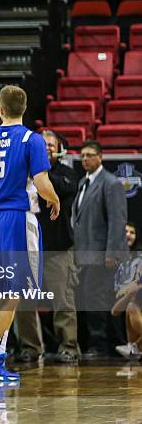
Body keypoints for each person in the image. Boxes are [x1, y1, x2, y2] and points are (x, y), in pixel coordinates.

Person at [0, 85, 60, 381]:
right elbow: (42, 183)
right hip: (18, 219)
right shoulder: (31, 139)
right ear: (24, 107)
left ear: (0, 108)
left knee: (5, 293)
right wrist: (54, 199)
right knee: (13, 293)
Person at [13, 130, 81, 363]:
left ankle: (69, 347)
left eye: (51, 145)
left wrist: (39, 170)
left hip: (58, 248)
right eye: (42, 145)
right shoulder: (24, 175)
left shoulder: (68, 174)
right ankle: (30, 347)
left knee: (63, 300)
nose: (47, 148)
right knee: (24, 299)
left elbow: (60, 189)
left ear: (61, 149)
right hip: (28, 247)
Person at [72, 140, 128, 357]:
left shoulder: (110, 182)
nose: (85, 159)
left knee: (97, 298)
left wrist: (112, 253)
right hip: (84, 254)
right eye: (82, 155)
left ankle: (100, 344)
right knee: (88, 298)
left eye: (89, 155)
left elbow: (117, 220)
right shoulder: (82, 182)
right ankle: (93, 342)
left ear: (100, 157)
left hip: (102, 254)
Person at [111, 222, 142, 359]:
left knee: (131, 306)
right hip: (133, 299)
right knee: (129, 306)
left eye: (132, 232)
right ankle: (134, 346)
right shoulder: (119, 263)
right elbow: (115, 310)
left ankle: (134, 347)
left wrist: (131, 288)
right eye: (126, 231)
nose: (129, 235)